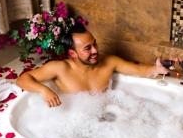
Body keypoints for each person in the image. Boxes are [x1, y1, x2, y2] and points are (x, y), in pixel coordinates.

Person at [17, 23, 169, 106]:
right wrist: (44, 90)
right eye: (87, 48)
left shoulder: (109, 62)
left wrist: (156, 69)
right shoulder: (60, 68)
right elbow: (23, 79)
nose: (95, 50)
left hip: (107, 117)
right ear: (72, 54)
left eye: (94, 44)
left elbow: (138, 70)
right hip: (74, 125)